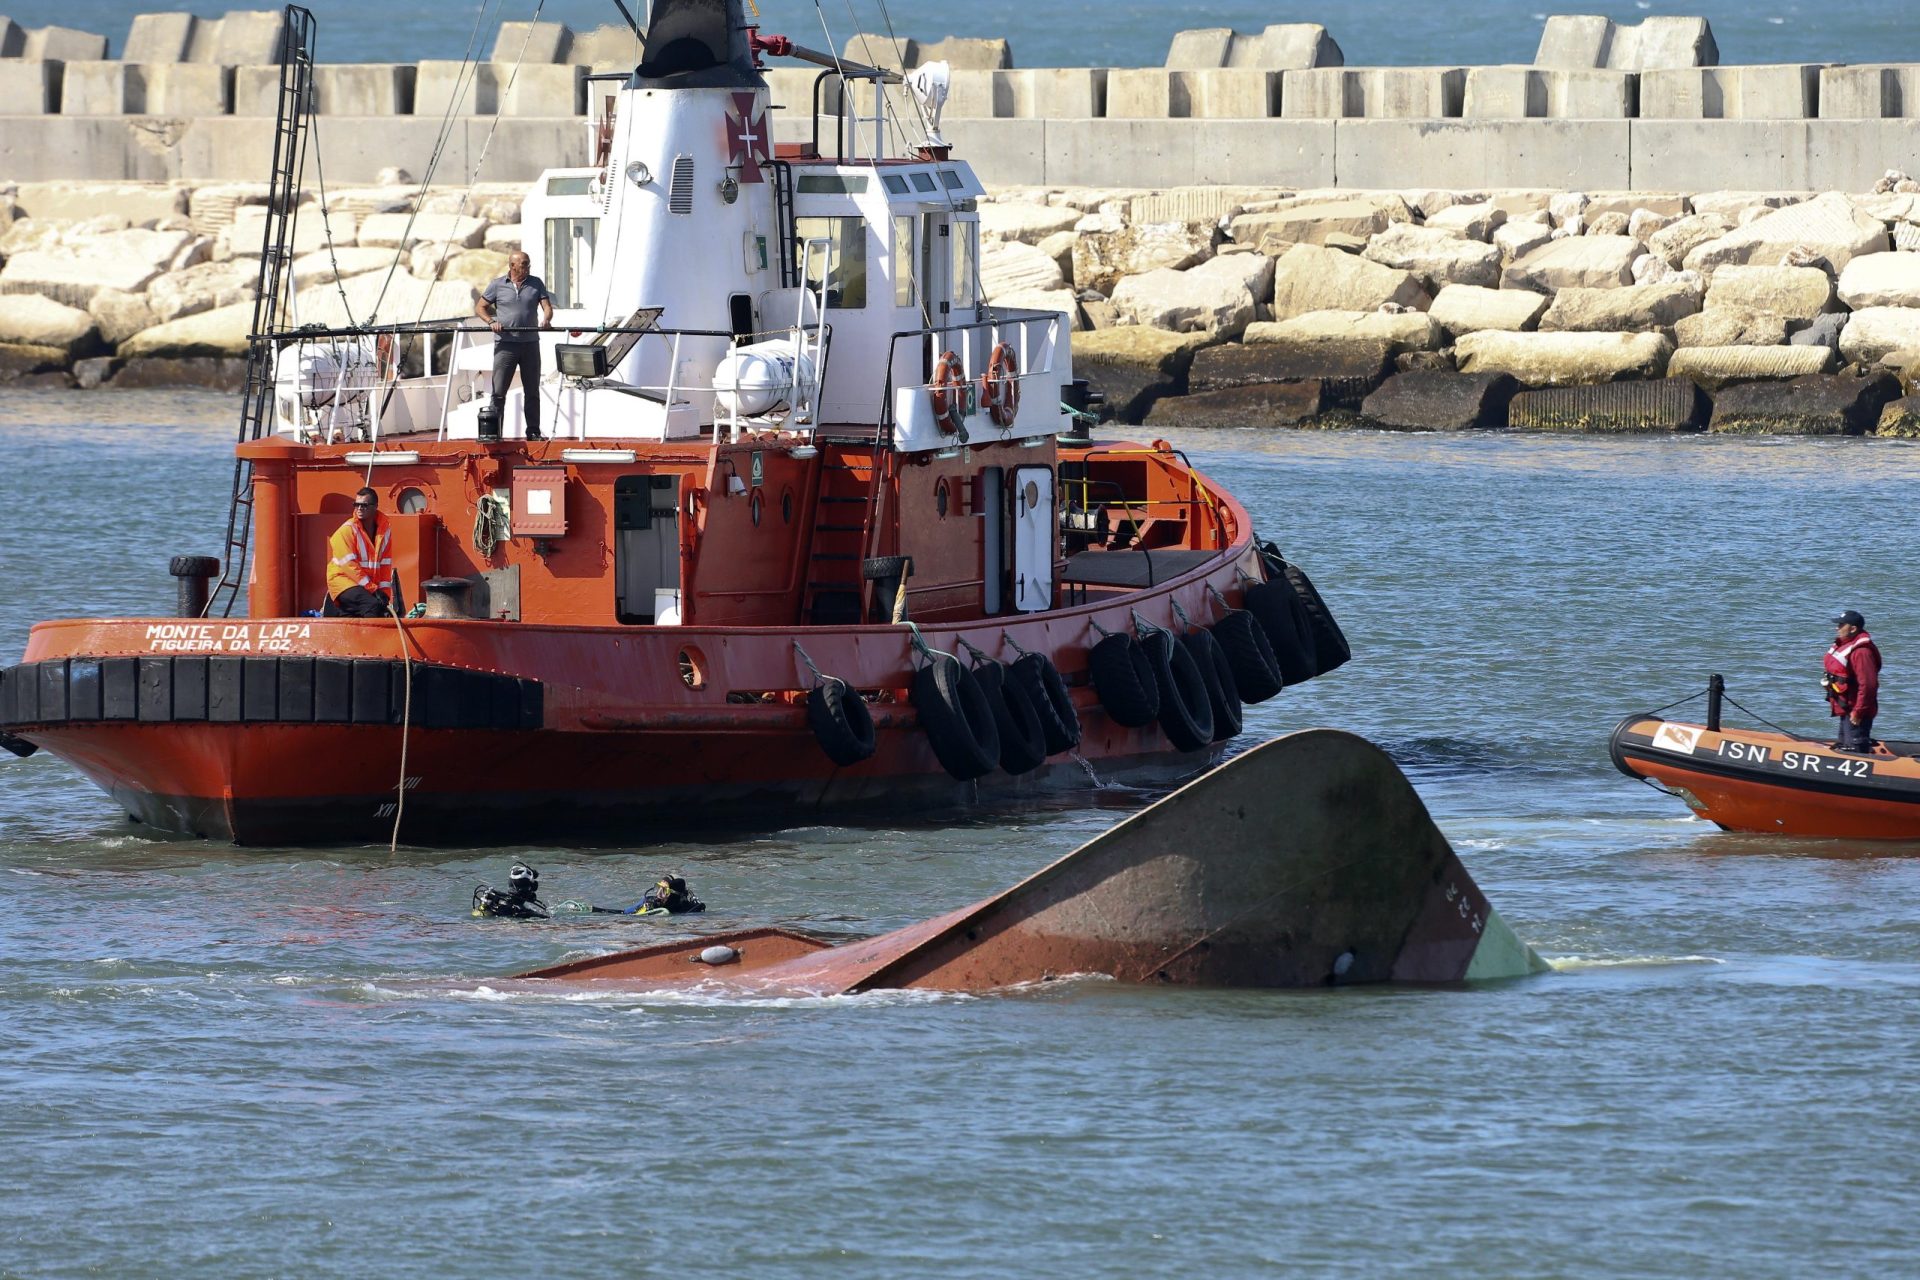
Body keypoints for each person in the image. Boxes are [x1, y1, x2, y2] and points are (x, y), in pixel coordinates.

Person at [475, 251, 555, 441]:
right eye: (524, 264)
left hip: (530, 345)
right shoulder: (497, 285)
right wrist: (490, 322)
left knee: (532, 390)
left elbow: (547, 307)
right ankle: (494, 433)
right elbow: (480, 307)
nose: (527, 267)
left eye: (528, 264)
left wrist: (546, 319)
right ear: (512, 266)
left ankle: (533, 431)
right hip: (506, 345)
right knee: (498, 392)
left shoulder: (536, 283)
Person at [326, 487, 400, 617]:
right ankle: (373, 637)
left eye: (364, 505)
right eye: (356, 505)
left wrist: (385, 594)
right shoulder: (346, 531)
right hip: (342, 581)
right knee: (372, 606)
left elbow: (385, 565)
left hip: (364, 586)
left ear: (375, 506)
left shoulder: (384, 532)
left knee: (376, 608)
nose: (359, 508)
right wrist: (373, 590)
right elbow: (350, 567)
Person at [1823, 609, 1882, 753]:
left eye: (1841, 625)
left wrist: (1858, 712)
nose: (1837, 628)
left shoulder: (1862, 652)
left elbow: (1868, 685)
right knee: (1844, 747)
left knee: (1854, 750)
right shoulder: (1846, 645)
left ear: (1853, 628)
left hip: (1856, 712)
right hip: (1846, 708)